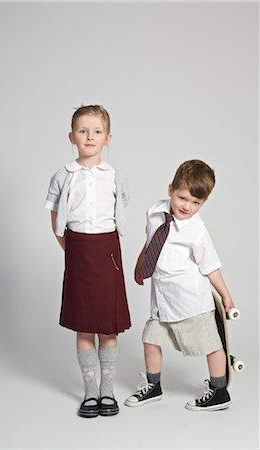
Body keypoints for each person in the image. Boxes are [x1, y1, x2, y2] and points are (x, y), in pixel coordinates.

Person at [124, 159, 234, 411]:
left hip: (191, 301)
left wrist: (226, 296)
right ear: (170, 189)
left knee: (211, 344)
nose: (188, 206)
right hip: (162, 299)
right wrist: (141, 265)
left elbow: (210, 266)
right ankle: (153, 386)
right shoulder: (155, 212)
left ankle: (219, 391)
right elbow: (152, 241)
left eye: (196, 203)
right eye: (183, 198)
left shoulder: (197, 231)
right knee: (150, 339)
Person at [45, 105, 131, 418]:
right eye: (83, 131)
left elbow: (121, 206)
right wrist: (70, 247)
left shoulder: (113, 176)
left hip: (108, 249)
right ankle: (90, 392)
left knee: (108, 326)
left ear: (108, 138)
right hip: (78, 248)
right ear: (72, 136)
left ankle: (107, 392)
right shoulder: (63, 175)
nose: (89, 136)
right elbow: (54, 214)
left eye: (96, 131)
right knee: (84, 326)